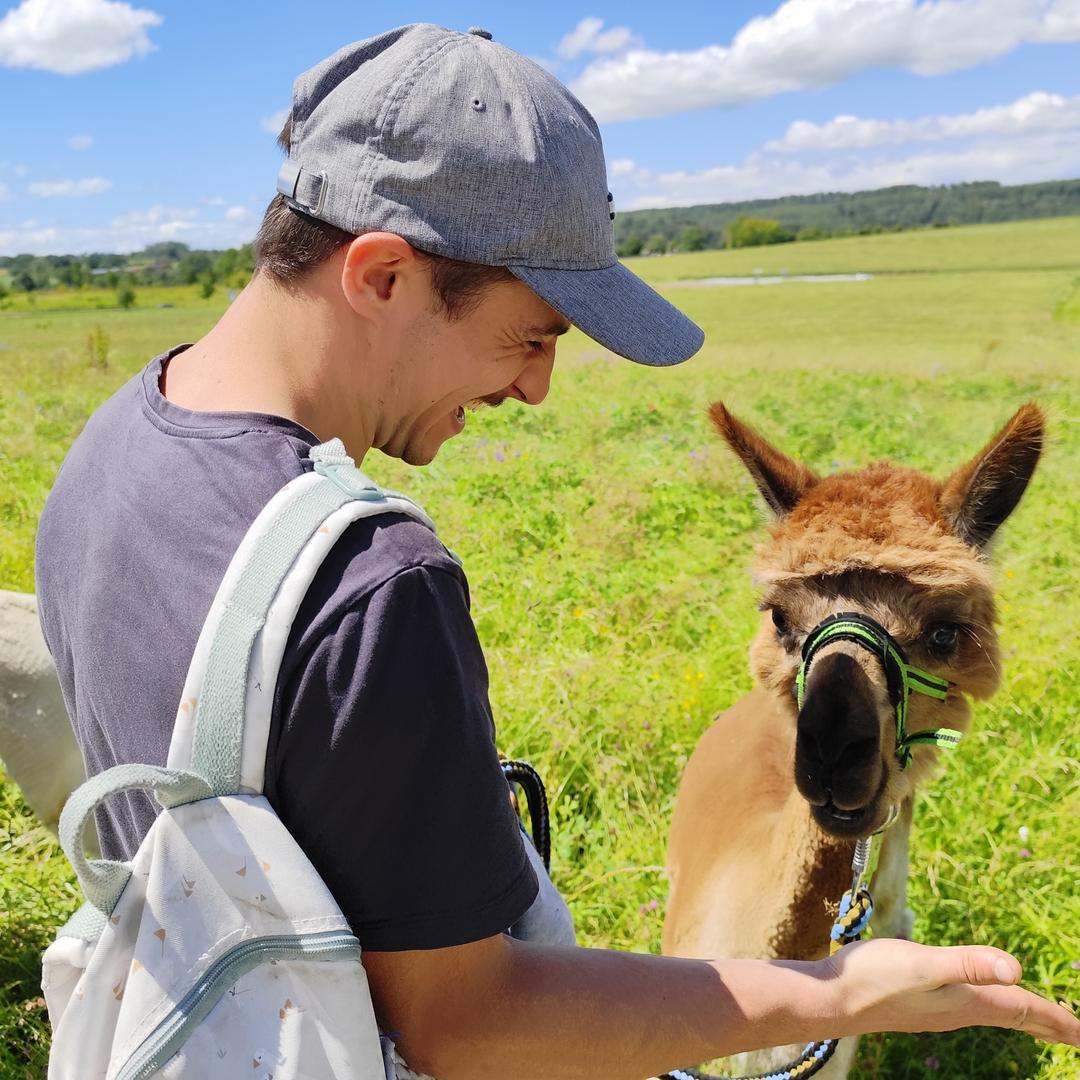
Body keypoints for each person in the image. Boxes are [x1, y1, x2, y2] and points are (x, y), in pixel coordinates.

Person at [35, 22, 1080, 1079]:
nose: (536, 387)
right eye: (531, 335)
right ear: (383, 274)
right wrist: (844, 988)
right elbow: (472, 1025)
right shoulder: (367, 585)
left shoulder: (111, 447)